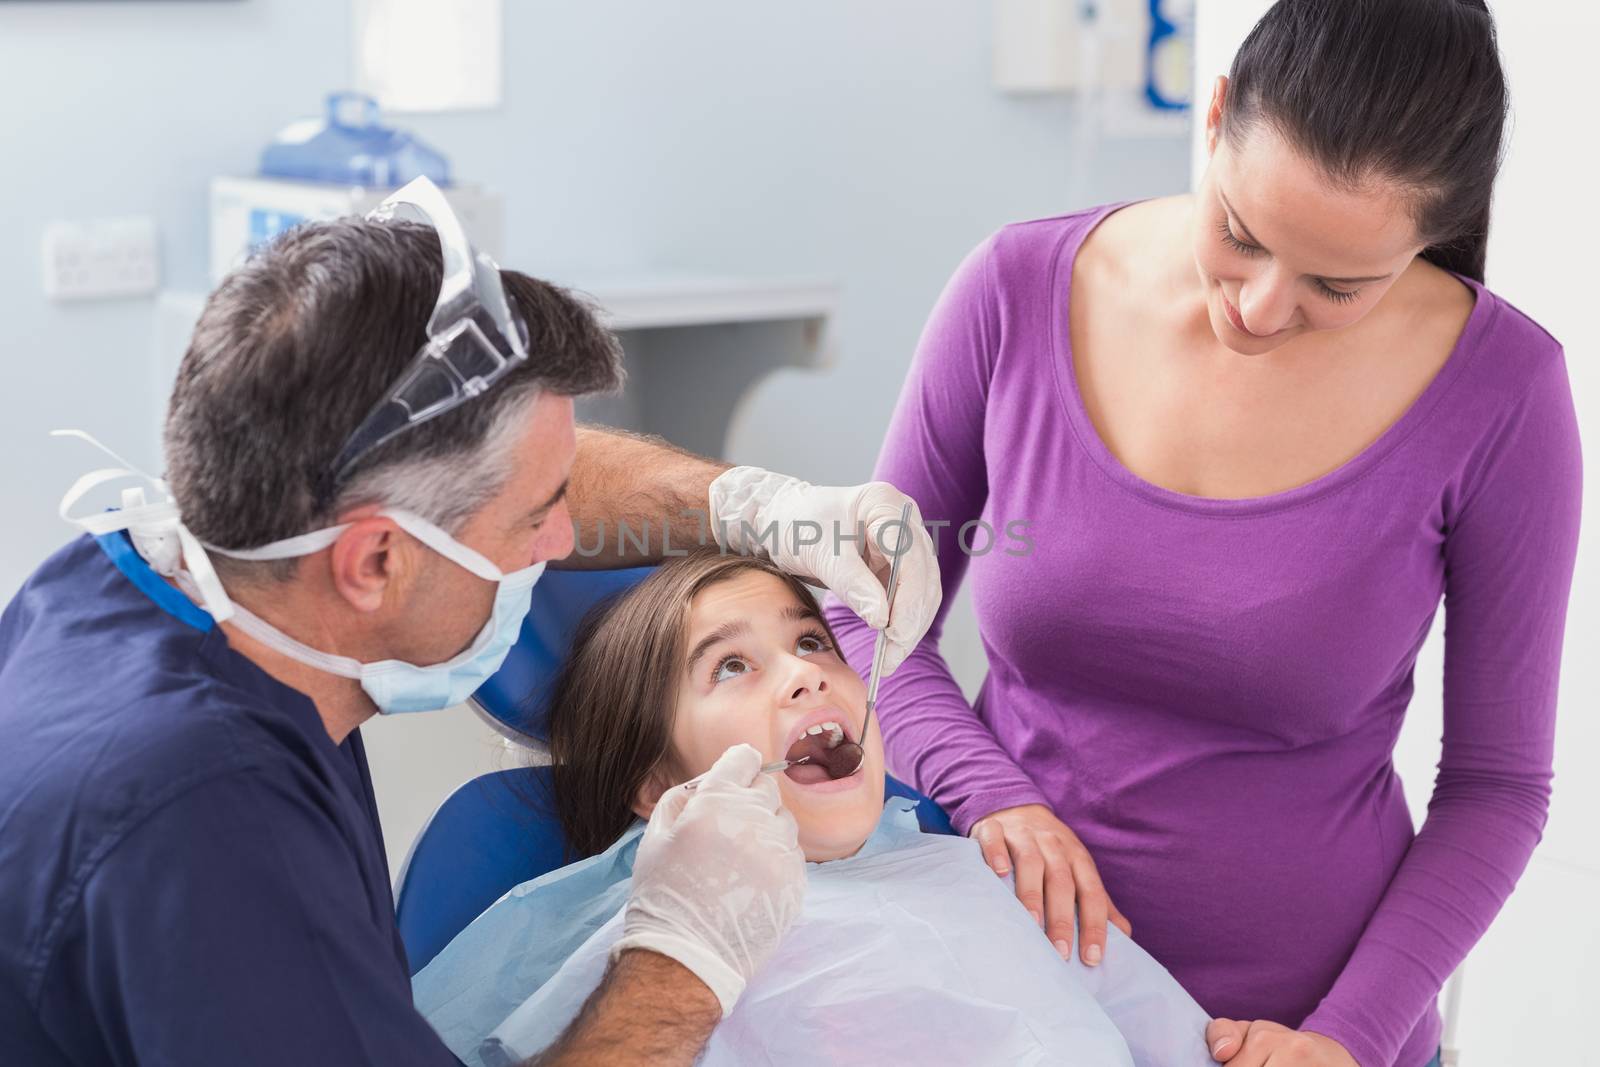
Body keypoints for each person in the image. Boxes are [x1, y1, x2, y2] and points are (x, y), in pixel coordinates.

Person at [0, 182, 939, 1067]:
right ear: (373, 562)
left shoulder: (158, 567)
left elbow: (507, 456)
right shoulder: (212, 834)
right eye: (539, 521)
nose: (570, 540)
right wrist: (684, 958)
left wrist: (751, 505)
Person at [821, 3, 1583, 1066]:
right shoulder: (1015, 289)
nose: (1263, 308)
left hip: (1298, 1025)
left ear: (1425, 239)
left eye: (1338, 285)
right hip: (1002, 988)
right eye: (1241, 232)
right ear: (1214, 116)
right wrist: (983, 788)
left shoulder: (1504, 394)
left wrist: (1347, 1038)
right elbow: (864, 609)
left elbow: (1498, 787)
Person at [413, 550, 1216, 1066]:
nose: (806, 676)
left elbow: (1185, 1044)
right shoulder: (659, 951)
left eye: (811, 643)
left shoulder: (999, 876)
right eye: (731, 666)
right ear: (660, 787)